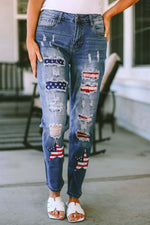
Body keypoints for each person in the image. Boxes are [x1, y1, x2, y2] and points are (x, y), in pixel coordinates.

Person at [26, 0, 139, 222]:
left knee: (83, 125)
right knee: (55, 122)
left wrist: (108, 14)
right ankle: (54, 193)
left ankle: (75, 198)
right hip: (50, 30)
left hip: (92, 32)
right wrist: (29, 38)